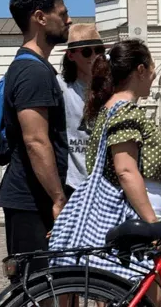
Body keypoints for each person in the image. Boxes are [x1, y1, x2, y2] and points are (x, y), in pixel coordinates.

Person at [50, 40, 161, 305]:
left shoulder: (108, 109)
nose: (153, 75)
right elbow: (126, 171)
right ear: (140, 70)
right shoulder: (125, 111)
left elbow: (142, 167)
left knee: (143, 293)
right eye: (151, 69)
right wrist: (152, 224)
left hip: (134, 205)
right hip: (136, 209)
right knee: (149, 294)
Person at [0, 0, 72, 279]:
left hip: (32, 198)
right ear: (40, 17)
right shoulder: (33, 72)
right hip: (32, 201)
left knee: (51, 288)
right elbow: (36, 140)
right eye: (62, 13)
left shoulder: (33, 67)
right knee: (43, 291)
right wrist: (57, 198)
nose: (68, 20)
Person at [57, 23, 106, 197]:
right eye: (86, 51)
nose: (94, 56)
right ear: (70, 55)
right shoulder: (60, 86)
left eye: (99, 50)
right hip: (72, 183)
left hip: (104, 183)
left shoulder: (109, 89)